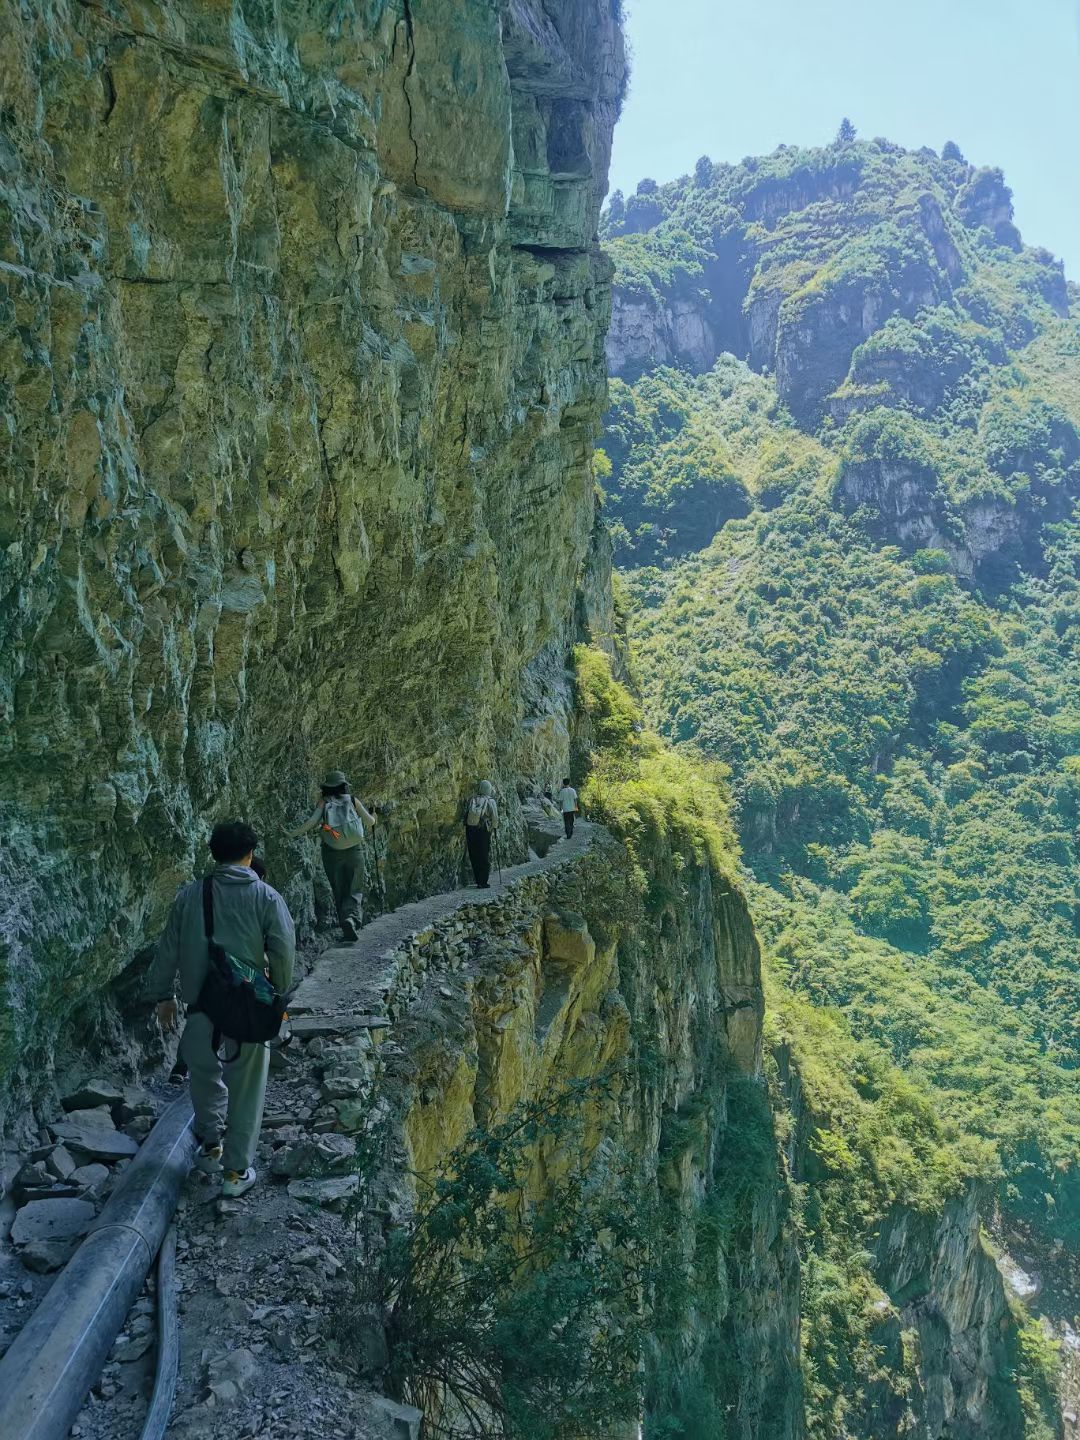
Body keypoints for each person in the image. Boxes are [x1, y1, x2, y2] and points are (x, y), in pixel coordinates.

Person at [147, 820, 295, 1198]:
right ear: (250, 854)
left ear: (214, 854)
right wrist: (276, 993)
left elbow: (168, 950)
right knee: (246, 1088)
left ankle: (211, 1146)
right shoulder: (266, 897)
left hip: (200, 1005)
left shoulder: (189, 896)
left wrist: (164, 996)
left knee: (203, 1076)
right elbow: (282, 950)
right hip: (248, 1006)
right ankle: (235, 1173)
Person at [288, 771, 375, 941]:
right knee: (354, 887)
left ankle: (345, 922)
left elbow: (312, 822)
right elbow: (370, 822)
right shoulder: (352, 800)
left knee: (338, 887)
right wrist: (374, 816)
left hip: (332, 852)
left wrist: (293, 833)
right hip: (355, 851)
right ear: (344, 785)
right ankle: (352, 918)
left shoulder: (324, 802)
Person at [464, 781, 499, 888]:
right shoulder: (490, 801)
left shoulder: (472, 799)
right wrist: (494, 827)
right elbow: (495, 818)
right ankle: (483, 882)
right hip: (483, 831)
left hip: (470, 830)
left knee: (474, 855)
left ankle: (477, 879)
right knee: (483, 855)